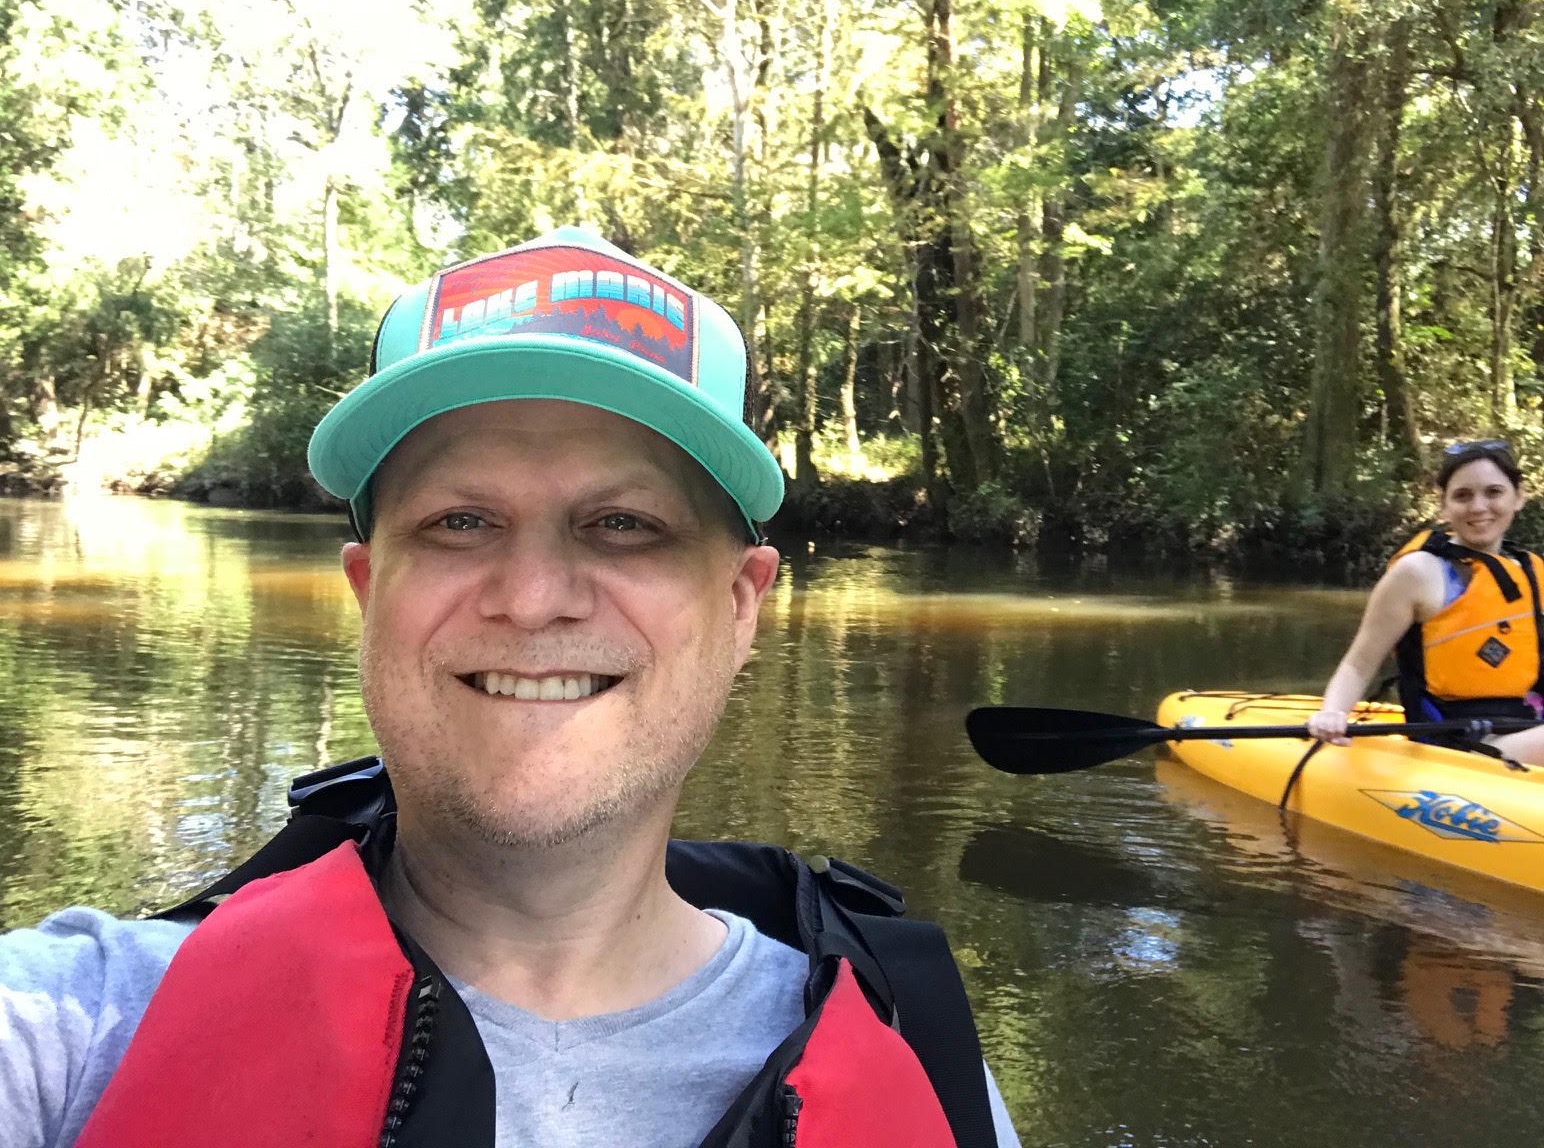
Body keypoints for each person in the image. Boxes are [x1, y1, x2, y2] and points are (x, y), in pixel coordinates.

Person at [0, 227, 1021, 1148]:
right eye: (459, 521)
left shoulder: (927, 1068)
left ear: (741, 607)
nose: (532, 598)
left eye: (623, 523)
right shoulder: (70, 1027)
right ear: (369, 591)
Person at [1307, 440, 1544, 761]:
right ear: (1443, 505)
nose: (1478, 506)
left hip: (1525, 725)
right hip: (1457, 741)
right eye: (1462, 495)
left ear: (1518, 497)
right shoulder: (1417, 572)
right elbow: (1359, 663)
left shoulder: (1531, 569)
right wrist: (1332, 712)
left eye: (1493, 492)